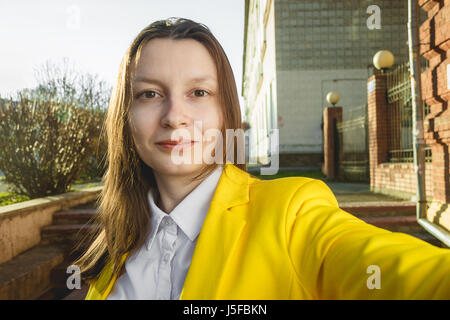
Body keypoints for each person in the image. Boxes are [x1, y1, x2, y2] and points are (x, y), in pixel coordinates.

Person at [75, 18, 450, 300]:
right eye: (150, 94)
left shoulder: (291, 216)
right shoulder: (116, 243)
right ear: (124, 114)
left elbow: (410, 277)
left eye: (199, 92)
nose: (174, 115)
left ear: (226, 112)